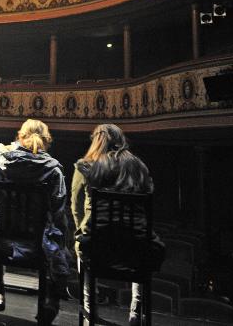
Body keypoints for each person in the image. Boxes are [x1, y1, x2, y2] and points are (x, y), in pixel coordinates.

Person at [0, 119, 71, 325]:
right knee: (56, 238)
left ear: (19, 137)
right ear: (47, 141)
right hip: (38, 246)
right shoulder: (54, 171)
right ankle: (50, 301)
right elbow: (59, 211)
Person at [72, 124, 164, 326]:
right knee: (140, 249)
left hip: (98, 248)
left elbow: (76, 207)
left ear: (97, 140)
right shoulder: (138, 167)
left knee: (82, 244)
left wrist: (82, 230)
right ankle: (135, 312)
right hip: (137, 249)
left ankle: (88, 310)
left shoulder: (89, 167)